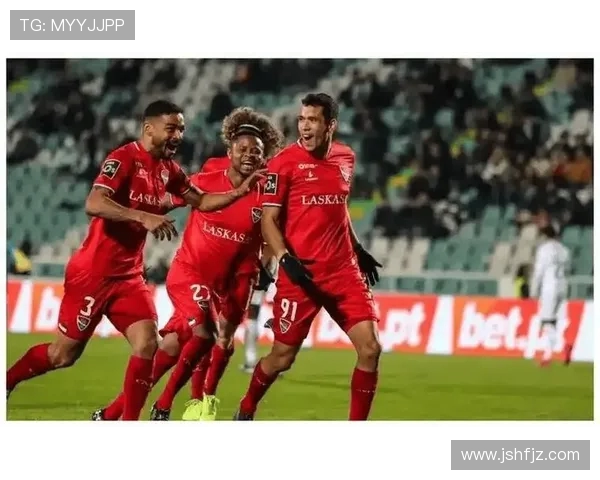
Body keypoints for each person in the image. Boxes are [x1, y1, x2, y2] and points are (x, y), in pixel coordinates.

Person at [6, 100, 262, 420]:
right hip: (93, 273)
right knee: (63, 355)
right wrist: (142, 216)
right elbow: (94, 203)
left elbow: (202, 201)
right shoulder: (123, 158)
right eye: (171, 128)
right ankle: (7, 381)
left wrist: (239, 193)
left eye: (181, 129)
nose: (178, 136)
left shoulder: (168, 169)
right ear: (148, 129)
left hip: (128, 277)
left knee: (147, 344)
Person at [93, 107, 282, 421]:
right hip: (192, 274)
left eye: (256, 151)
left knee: (186, 346)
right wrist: (134, 225)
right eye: (242, 148)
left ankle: (113, 414)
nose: (249, 154)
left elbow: (276, 231)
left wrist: (270, 265)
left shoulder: (269, 191)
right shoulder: (208, 176)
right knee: (205, 334)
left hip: (233, 280)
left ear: (265, 157)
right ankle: (170, 404)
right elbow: (165, 202)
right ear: (230, 150)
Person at [233, 93, 383, 421]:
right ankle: (246, 407)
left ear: (331, 125)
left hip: (343, 271)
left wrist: (358, 248)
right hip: (300, 275)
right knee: (282, 358)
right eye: (302, 119)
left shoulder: (346, 157)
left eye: (312, 120)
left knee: (371, 349)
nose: (304, 126)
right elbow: (269, 220)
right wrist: (285, 259)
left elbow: (338, 208)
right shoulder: (283, 163)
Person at [530, 225, 571, 366]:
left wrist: (534, 290)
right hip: (563, 287)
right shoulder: (564, 250)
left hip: (549, 287)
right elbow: (568, 269)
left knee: (547, 321)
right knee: (555, 322)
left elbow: (539, 271)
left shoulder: (544, 249)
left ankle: (560, 348)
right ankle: (548, 355)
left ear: (545, 236)